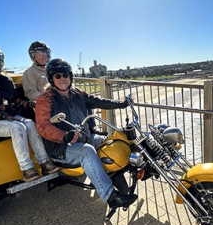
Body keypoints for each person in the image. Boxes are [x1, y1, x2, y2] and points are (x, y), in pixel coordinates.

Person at [35, 59, 138, 209]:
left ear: (70, 76)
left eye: (65, 75)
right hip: (62, 147)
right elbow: (43, 126)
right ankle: (111, 196)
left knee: (113, 141)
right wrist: (64, 136)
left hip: (86, 137)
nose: (62, 78)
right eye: (57, 76)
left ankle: (129, 171)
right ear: (51, 78)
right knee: (87, 151)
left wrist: (122, 104)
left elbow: (97, 101)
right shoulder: (45, 99)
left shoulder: (77, 93)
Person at [0, 42, 60, 182]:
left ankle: (45, 162)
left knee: (30, 123)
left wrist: (34, 103)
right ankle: (27, 169)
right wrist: (3, 115)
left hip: (9, 117)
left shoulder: (5, 80)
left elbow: (15, 101)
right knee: (17, 127)